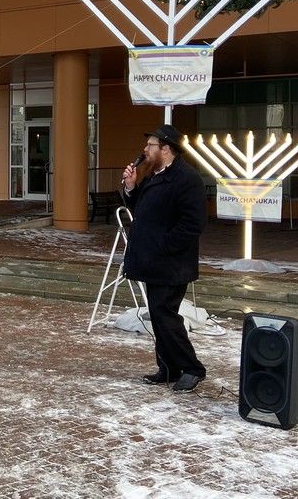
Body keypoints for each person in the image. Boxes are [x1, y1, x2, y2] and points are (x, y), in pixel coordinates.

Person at [121, 124, 208, 393]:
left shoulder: (187, 179)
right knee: (159, 316)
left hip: (171, 263)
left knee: (164, 314)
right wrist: (132, 187)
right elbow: (142, 209)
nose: (145, 150)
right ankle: (169, 368)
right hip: (153, 261)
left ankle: (192, 369)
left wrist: (164, 246)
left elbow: (193, 224)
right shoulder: (155, 174)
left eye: (151, 146)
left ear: (166, 149)